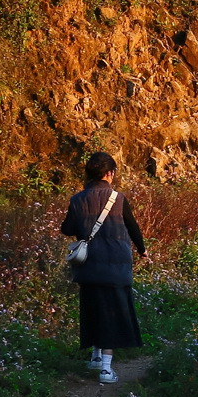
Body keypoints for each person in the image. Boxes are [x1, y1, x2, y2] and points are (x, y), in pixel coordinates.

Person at [60, 151, 146, 383]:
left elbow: (66, 229)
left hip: (88, 265)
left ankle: (96, 357)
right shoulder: (117, 198)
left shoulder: (77, 199)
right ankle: (106, 370)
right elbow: (132, 226)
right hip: (116, 266)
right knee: (112, 313)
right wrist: (142, 249)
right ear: (109, 174)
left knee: (93, 309)